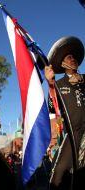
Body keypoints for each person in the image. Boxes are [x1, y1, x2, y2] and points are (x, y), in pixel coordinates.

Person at [44, 36, 85, 190]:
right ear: (62, 63)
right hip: (72, 134)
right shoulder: (58, 84)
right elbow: (53, 108)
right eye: (69, 57)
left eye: (74, 57)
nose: (72, 59)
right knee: (58, 174)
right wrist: (50, 84)